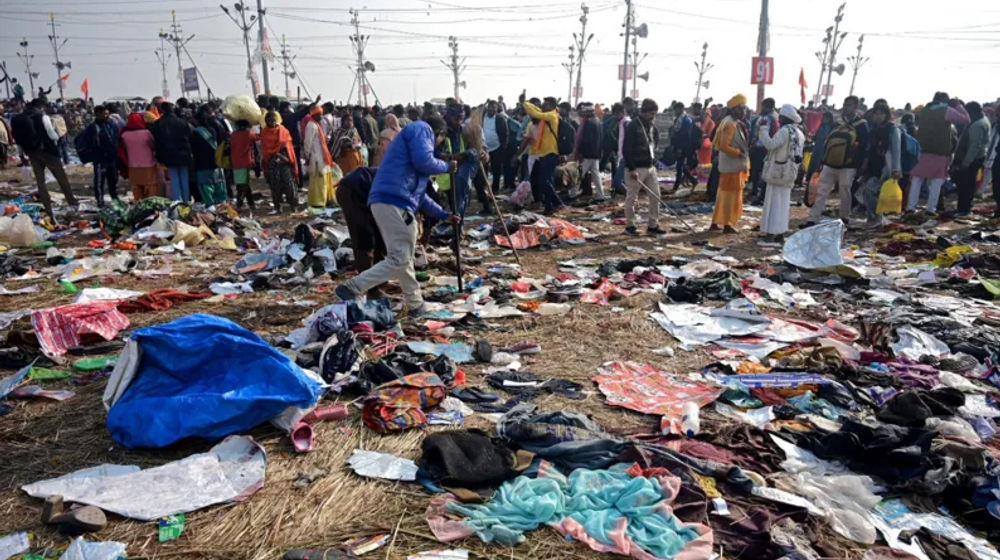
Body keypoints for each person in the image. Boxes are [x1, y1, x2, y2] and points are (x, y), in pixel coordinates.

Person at [335, 116, 461, 318]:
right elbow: (425, 161)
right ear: (440, 134)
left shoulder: (412, 166)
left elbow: (421, 198)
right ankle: (353, 287)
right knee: (399, 258)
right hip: (394, 202)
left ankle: (416, 305)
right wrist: (447, 167)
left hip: (389, 201)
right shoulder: (422, 128)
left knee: (403, 258)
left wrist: (445, 215)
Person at [805, 95, 870, 227]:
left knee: (844, 191)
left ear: (855, 107)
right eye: (845, 104)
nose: (846, 107)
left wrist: (862, 164)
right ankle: (812, 218)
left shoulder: (862, 125)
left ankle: (844, 217)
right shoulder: (838, 123)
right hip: (830, 163)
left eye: (849, 105)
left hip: (849, 165)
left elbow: (865, 146)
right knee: (822, 190)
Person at [11, 98, 79, 217]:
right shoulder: (43, 117)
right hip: (48, 152)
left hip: (32, 153)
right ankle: (72, 203)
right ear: (41, 106)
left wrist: (22, 155)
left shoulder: (19, 119)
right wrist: (59, 136)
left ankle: (48, 209)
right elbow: (52, 136)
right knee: (62, 178)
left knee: (40, 182)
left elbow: (18, 141)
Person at [906, 92, 970, 213]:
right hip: (939, 151)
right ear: (946, 101)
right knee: (937, 180)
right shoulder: (947, 110)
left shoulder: (924, 110)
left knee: (917, 179)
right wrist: (958, 105)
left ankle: (911, 207)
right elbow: (966, 119)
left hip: (922, 150)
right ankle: (931, 209)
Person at [758, 104, 805, 239]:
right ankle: (780, 231)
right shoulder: (799, 133)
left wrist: (763, 129)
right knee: (783, 202)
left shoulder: (785, 131)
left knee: (774, 202)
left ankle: (772, 232)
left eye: (781, 117)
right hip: (790, 172)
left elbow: (770, 144)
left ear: (784, 117)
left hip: (778, 171)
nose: (779, 119)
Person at [334, 166, 386, 291]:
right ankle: (370, 287)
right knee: (364, 236)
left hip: (363, 192)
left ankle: (377, 281)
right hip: (351, 191)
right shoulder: (409, 186)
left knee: (378, 236)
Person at [710, 94, 750, 233]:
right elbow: (723, 146)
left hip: (729, 166)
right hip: (732, 166)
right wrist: (739, 153)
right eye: (742, 108)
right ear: (735, 109)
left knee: (723, 195)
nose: (744, 111)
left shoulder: (729, 121)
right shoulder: (730, 124)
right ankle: (727, 224)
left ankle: (716, 222)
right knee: (730, 197)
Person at [622, 98, 662, 235]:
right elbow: (626, 149)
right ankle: (630, 225)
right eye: (651, 114)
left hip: (650, 166)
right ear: (644, 112)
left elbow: (655, 141)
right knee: (632, 198)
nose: (653, 117)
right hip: (636, 167)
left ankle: (653, 224)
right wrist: (632, 168)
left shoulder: (651, 126)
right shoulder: (633, 125)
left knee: (656, 196)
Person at [860, 104, 902, 226]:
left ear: (886, 115)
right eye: (876, 114)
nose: (878, 116)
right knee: (868, 191)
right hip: (873, 167)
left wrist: (896, 169)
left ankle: (876, 218)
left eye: (881, 114)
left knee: (870, 190)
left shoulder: (893, 130)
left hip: (886, 167)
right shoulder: (874, 129)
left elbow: (896, 150)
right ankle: (874, 218)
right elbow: (869, 149)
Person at [522, 97, 564, 214]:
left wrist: (525, 102)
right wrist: (531, 104)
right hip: (544, 153)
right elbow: (537, 111)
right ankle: (554, 204)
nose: (543, 107)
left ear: (551, 105)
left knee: (545, 181)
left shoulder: (552, 116)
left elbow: (535, 112)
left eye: (545, 104)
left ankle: (551, 206)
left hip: (551, 153)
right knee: (546, 181)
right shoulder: (547, 116)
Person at [953, 101, 991, 217]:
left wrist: (966, 163)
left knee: (966, 185)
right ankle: (963, 208)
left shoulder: (977, 125)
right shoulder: (983, 120)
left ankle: (964, 209)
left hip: (972, 159)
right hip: (976, 157)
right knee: (967, 185)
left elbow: (974, 146)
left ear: (972, 112)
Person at [151, 102, 193, 202]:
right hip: (184, 154)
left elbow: (158, 142)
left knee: (174, 178)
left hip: (169, 155)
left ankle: (178, 201)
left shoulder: (158, 124)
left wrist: (160, 157)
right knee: (184, 177)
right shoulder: (182, 122)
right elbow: (190, 137)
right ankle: (187, 201)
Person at [78, 105, 120, 205]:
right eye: (104, 114)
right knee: (99, 181)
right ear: (97, 114)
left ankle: (114, 197)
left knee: (113, 179)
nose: (107, 116)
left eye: (107, 113)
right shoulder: (93, 128)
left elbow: (116, 137)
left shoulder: (111, 124)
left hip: (112, 158)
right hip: (100, 158)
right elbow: (90, 143)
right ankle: (100, 201)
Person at [260, 110, 298, 213]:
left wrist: (283, 155)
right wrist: (274, 154)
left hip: (284, 160)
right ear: (266, 121)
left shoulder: (283, 130)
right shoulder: (264, 132)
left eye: (274, 119)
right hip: (272, 162)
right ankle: (277, 206)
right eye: (270, 120)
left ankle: (293, 205)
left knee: (289, 183)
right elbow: (265, 149)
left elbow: (288, 144)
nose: (272, 122)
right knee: (275, 185)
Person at [190, 107, 228, 207]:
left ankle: (210, 206)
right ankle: (221, 203)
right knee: (219, 185)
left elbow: (193, 149)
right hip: (216, 163)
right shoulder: (212, 130)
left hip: (202, 165)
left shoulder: (195, 133)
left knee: (206, 187)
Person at [118, 112, 158, 200]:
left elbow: (122, 150)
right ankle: (151, 208)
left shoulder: (124, 135)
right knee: (151, 188)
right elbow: (153, 146)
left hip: (132, 165)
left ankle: (139, 206)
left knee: (137, 188)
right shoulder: (147, 133)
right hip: (148, 165)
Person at [303, 106, 335, 208]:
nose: (320, 116)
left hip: (322, 156)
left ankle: (325, 199)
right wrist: (307, 155)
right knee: (319, 181)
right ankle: (318, 202)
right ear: (313, 115)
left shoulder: (317, 125)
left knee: (324, 180)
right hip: (316, 157)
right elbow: (307, 143)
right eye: (318, 114)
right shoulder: (311, 126)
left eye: (321, 114)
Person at [748, 98, 778, 204]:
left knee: (763, 172)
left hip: (765, 148)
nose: (762, 108)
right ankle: (755, 191)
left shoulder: (771, 118)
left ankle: (760, 194)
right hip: (758, 147)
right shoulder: (764, 117)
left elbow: (770, 134)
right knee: (756, 171)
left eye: (763, 106)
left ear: (768, 106)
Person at [574, 102, 604, 202]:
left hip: (588, 154)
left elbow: (586, 140)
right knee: (596, 176)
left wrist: (581, 153)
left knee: (579, 174)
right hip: (595, 153)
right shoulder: (597, 121)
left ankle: (572, 193)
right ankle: (600, 195)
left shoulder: (588, 122)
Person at [229, 119, 259, 210]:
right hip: (246, 162)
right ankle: (240, 204)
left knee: (242, 184)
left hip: (235, 162)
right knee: (243, 185)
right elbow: (258, 137)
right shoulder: (248, 134)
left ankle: (250, 204)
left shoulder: (232, 135)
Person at [483, 100, 510, 193]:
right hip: (484, 148)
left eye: (494, 107)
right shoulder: (483, 117)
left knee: (496, 169)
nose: (492, 109)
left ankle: (495, 189)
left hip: (497, 148)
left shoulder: (500, 118)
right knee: (484, 169)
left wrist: (503, 147)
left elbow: (505, 133)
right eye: (490, 107)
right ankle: (484, 188)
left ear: (496, 109)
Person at [670, 102, 698, 190]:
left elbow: (685, 136)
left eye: (676, 109)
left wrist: (680, 148)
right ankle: (692, 180)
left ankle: (677, 186)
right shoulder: (678, 120)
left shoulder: (686, 120)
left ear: (681, 109)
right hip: (679, 146)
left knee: (680, 166)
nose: (675, 111)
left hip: (684, 147)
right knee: (680, 166)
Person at [805, 111, 834, 185]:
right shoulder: (822, 126)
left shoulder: (831, 127)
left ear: (828, 118)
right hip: (817, 149)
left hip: (823, 151)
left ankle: (815, 183)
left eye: (824, 117)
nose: (822, 119)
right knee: (813, 165)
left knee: (818, 167)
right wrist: (811, 136)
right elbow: (816, 137)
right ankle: (810, 181)